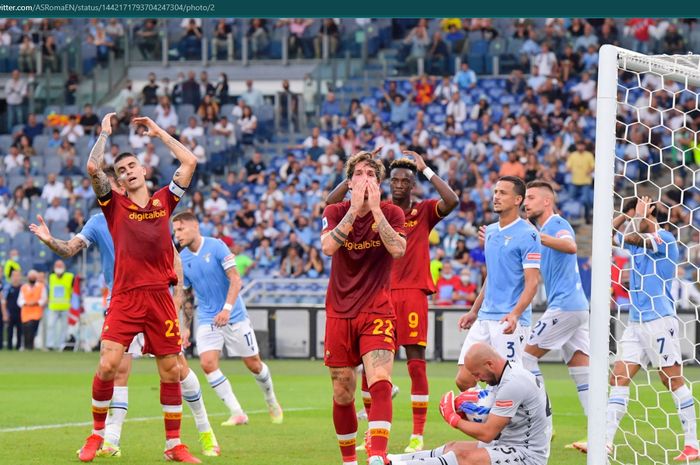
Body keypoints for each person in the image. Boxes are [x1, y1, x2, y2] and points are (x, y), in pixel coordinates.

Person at [30, 167, 219, 460]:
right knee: (114, 368)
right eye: (113, 180)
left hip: (158, 298)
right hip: (121, 299)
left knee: (178, 369)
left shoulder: (149, 214)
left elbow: (175, 264)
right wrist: (50, 240)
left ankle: (204, 432)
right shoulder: (98, 221)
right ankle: (109, 439)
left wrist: (180, 311)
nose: (116, 186)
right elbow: (70, 249)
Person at [74, 112, 201, 463]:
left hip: (159, 297)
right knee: (107, 364)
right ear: (118, 181)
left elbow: (189, 161)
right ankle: (97, 436)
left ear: (143, 170)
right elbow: (92, 168)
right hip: (126, 297)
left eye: (132, 166)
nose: (127, 172)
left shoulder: (165, 200)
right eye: (121, 171)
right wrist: (103, 133)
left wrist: (159, 132)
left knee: (170, 370)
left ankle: (173, 445)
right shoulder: (114, 206)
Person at [326, 150, 458, 453]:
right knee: (359, 378)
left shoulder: (418, 212)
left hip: (407, 293)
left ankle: (415, 435)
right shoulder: (352, 208)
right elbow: (331, 208)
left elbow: (451, 202)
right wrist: (354, 179)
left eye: (404, 180)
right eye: (395, 179)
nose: (399, 184)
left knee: (410, 364)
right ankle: (372, 435)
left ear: (410, 185)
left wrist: (425, 170)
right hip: (369, 297)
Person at [573, 197, 699, 462]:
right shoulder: (639, 246)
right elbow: (605, 238)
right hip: (636, 322)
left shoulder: (664, 239)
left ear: (652, 214)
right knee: (618, 378)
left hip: (660, 320)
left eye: (639, 215)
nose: (633, 219)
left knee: (671, 380)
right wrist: (624, 213)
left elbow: (631, 238)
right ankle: (603, 442)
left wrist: (640, 215)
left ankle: (692, 444)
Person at [321, 151, 407, 465]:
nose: (365, 179)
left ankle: (377, 456)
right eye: (359, 173)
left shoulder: (392, 212)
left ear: (380, 183)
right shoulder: (334, 210)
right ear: (349, 181)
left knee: (381, 379)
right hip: (340, 311)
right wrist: (355, 209)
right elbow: (329, 246)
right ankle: (349, 461)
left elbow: (398, 250)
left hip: (377, 309)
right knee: (343, 389)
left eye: (371, 174)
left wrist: (373, 211)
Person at [172, 212, 284, 426]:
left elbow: (236, 280)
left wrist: (227, 309)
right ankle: (237, 412)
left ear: (195, 226)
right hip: (207, 317)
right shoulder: (181, 259)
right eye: (175, 230)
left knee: (254, 365)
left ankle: (271, 400)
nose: (177, 234)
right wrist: (184, 327)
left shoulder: (217, 247)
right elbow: (186, 295)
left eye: (181, 228)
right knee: (207, 364)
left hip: (234, 316)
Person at [387, 342, 552, 465]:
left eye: (477, 374)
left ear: (489, 364)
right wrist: (464, 412)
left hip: (528, 455)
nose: (477, 379)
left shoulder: (512, 384)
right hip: (508, 442)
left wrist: (454, 419)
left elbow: (488, 434)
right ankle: (391, 459)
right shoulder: (504, 374)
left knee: (464, 458)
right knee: (452, 447)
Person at [521, 180, 590, 448]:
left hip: (565, 306)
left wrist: (535, 236)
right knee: (581, 371)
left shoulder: (557, 225)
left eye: (531, 197)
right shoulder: (542, 230)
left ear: (547, 202)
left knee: (526, 358)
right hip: (575, 307)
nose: (526, 202)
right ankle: (600, 435)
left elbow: (571, 246)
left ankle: (544, 426)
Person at [455, 176, 541, 391]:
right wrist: (474, 311)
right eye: (495, 192)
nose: (496, 197)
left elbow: (532, 283)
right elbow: (491, 277)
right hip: (484, 318)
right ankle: (487, 420)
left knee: (508, 384)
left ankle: (534, 420)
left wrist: (515, 314)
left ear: (517, 200)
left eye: (503, 193)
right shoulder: (491, 231)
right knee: (464, 380)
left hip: (509, 321)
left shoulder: (528, 234)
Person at [45, 259, 74, 351]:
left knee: (64, 328)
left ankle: (62, 345)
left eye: (60, 266)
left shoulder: (70, 277)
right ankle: (50, 345)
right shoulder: (51, 277)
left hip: (65, 307)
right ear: (54, 268)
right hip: (53, 307)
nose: (59, 268)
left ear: (64, 267)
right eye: (57, 266)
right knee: (50, 326)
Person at [18, 269, 46, 351]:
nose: (32, 278)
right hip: (26, 313)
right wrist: (26, 303)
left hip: (36, 313)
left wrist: (36, 303)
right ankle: (27, 346)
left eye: (34, 277)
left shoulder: (41, 286)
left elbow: (43, 299)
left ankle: (30, 346)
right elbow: (20, 300)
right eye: (31, 277)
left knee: (33, 330)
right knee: (26, 330)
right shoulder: (23, 287)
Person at [2, 269, 23, 350]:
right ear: (11, 277)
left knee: (19, 331)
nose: (16, 277)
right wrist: (5, 313)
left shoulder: (23, 288)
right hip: (10, 313)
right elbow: (4, 301)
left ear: (20, 277)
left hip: (20, 313)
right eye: (14, 275)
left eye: (17, 275)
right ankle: (9, 347)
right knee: (9, 331)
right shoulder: (7, 287)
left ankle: (19, 347)